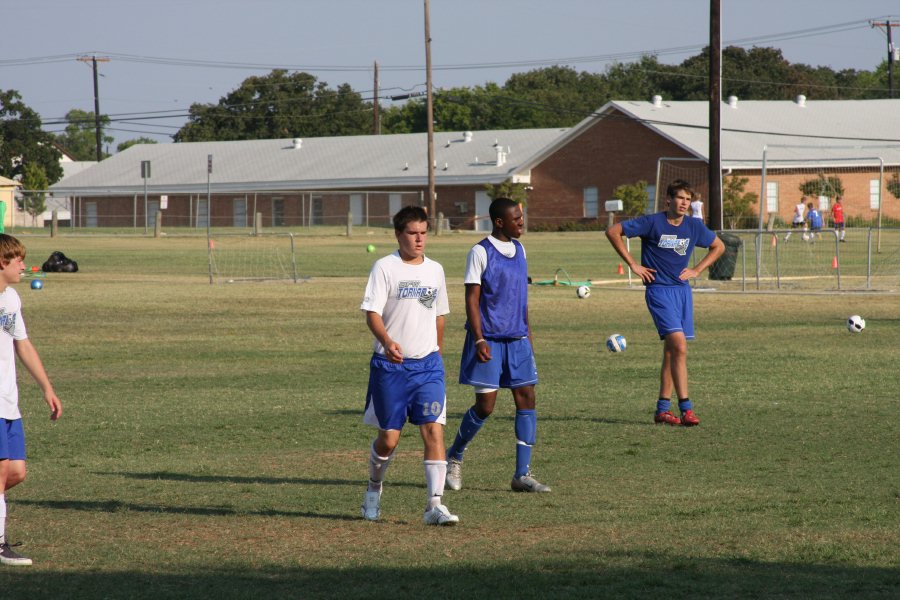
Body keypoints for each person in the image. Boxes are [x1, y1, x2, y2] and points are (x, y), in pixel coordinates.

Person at [359, 206, 458, 526]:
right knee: (389, 439)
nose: (419, 239)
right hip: (390, 369)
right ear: (398, 235)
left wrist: (437, 354)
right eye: (413, 233)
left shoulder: (435, 270)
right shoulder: (384, 268)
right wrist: (388, 342)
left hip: (428, 366)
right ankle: (374, 490)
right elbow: (371, 312)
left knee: (433, 430)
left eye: (424, 233)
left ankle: (434, 505)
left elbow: (437, 314)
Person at [445, 198, 550, 493]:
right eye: (516, 218)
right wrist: (478, 338)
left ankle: (522, 475)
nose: (522, 221)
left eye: (522, 216)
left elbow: (521, 298)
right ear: (500, 222)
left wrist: (528, 334)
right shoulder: (480, 251)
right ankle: (454, 455)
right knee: (486, 406)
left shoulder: (521, 249)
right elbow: (472, 299)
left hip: (517, 339)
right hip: (488, 339)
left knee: (527, 398)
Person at [606, 181, 724, 426]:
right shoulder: (652, 222)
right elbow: (613, 231)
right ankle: (686, 409)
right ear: (668, 200)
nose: (684, 203)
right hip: (659, 291)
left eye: (688, 200)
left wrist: (697, 269)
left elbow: (718, 246)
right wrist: (633, 265)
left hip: (682, 292)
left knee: (672, 351)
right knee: (679, 346)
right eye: (680, 198)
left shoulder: (693, 226)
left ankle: (662, 410)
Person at [0, 234, 62, 566]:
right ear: (2, 262)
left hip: (9, 401)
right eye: (19, 260)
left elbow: (22, 344)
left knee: (17, 472)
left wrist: (47, 388)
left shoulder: (10, 300)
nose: (25, 265)